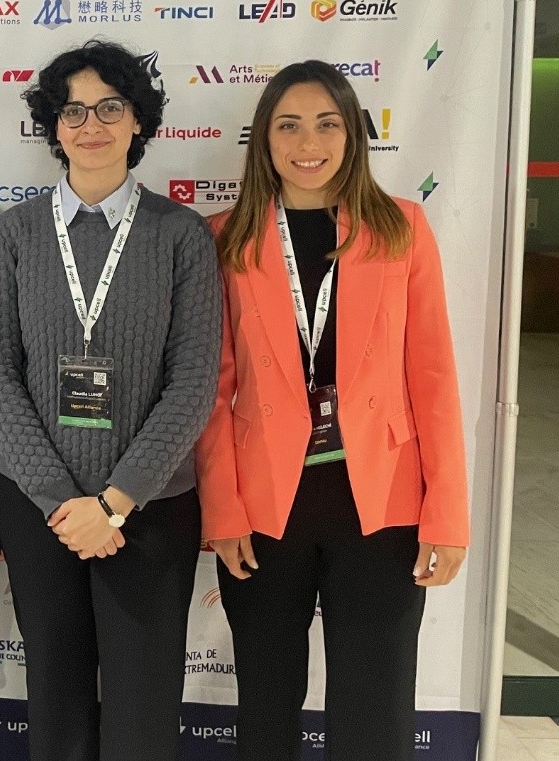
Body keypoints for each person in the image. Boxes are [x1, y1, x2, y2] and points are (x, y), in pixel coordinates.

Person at [196, 60, 469, 761]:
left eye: (326, 123)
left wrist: (446, 514)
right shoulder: (224, 237)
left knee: (374, 707)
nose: (307, 142)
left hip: (381, 503)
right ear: (263, 139)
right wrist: (221, 509)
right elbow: (210, 388)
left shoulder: (401, 227)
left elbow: (433, 377)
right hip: (265, 505)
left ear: (353, 135)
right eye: (288, 125)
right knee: (265, 702)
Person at [0, 39, 222, 761]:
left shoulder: (180, 234)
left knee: (143, 712)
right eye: (73, 110)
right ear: (53, 126)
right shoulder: (16, 233)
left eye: (110, 107)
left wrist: (113, 502)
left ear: (138, 120)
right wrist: (62, 501)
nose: (91, 125)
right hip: (39, 510)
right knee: (56, 705)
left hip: (149, 508)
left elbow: (193, 382)